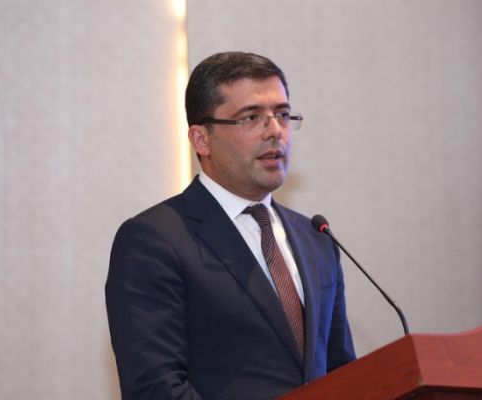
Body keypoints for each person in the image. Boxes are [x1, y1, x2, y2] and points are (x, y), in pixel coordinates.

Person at [105, 51, 356, 400]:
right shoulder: (155, 240)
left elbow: (344, 375)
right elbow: (155, 388)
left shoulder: (317, 239)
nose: (275, 131)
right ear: (201, 139)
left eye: (282, 115)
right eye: (251, 117)